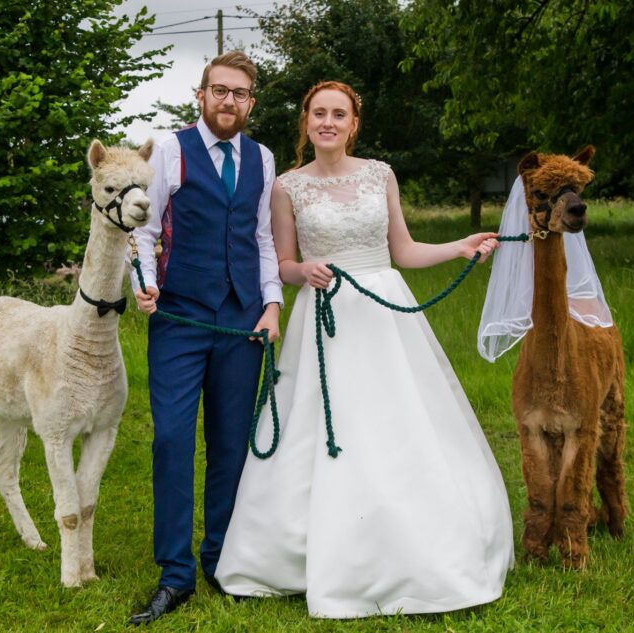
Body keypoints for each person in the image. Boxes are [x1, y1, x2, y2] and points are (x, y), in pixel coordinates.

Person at [214, 81, 515, 618]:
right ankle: (295, 555)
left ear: (354, 125)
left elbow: (402, 251)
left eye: (339, 114)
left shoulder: (380, 174)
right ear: (305, 122)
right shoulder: (286, 187)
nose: (328, 122)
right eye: (319, 113)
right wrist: (302, 271)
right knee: (323, 429)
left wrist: (460, 246)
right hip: (322, 317)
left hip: (381, 310)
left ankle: (415, 552)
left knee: (397, 424)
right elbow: (281, 264)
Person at [127, 51, 283, 625]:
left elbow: (263, 238)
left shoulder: (263, 159)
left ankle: (221, 559)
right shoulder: (170, 149)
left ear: (251, 103)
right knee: (171, 440)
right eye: (220, 90)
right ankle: (176, 575)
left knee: (230, 445)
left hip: (241, 322)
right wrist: (144, 282)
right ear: (201, 94)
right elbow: (143, 230)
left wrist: (271, 305)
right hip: (180, 320)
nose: (229, 101)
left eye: (240, 94)